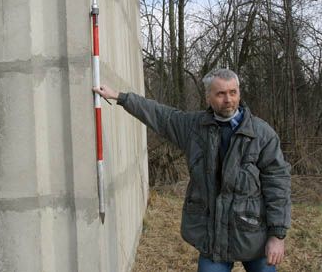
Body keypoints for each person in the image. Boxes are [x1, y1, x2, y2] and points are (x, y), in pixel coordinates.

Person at [93, 69, 291, 272]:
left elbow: (278, 185)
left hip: (253, 235)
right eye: (220, 93)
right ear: (208, 96)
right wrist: (120, 97)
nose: (228, 99)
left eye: (233, 92)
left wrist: (277, 235)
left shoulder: (262, 134)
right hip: (213, 241)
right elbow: (160, 115)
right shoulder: (194, 128)